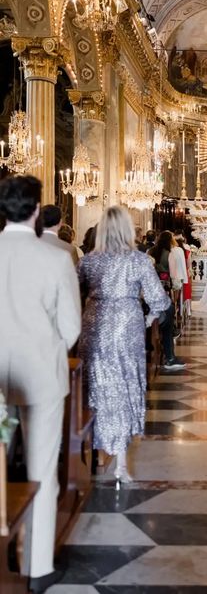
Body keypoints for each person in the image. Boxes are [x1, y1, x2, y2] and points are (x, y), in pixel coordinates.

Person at [0, 175, 81, 594]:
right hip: (41, 375)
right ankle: (36, 565)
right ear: (35, 210)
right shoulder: (54, 259)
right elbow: (70, 328)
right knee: (41, 467)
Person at [77, 207, 185, 487]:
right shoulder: (138, 261)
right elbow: (160, 300)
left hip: (94, 321)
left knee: (95, 383)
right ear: (127, 230)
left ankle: (90, 453)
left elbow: (75, 291)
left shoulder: (88, 261)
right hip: (127, 323)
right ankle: (121, 465)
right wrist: (148, 317)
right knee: (124, 384)